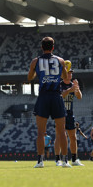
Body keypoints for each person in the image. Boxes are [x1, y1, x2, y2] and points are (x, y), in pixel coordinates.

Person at [27, 36, 69, 168]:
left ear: (41, 47)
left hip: (43, 97)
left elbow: (29, 78)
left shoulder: (35, 61)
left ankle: (40, 161)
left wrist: (37, 73)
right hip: (56, 97)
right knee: (62, 131)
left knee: (40, 132)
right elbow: (66, 79)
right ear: (53, 47)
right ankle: (65, 161)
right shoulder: (60, 61)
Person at [56, 69, 84, 166]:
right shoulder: (59, 84)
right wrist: (70, 90)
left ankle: (74, 159)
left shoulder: (73, 84)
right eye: (68, 73)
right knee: (60, 137)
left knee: (73, 137)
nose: (70, 75)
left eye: (71, 73)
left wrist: (77, 88)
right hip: (60, 113)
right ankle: (59, 160)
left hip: (70, 114)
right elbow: (60, 96)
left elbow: (79, 97)